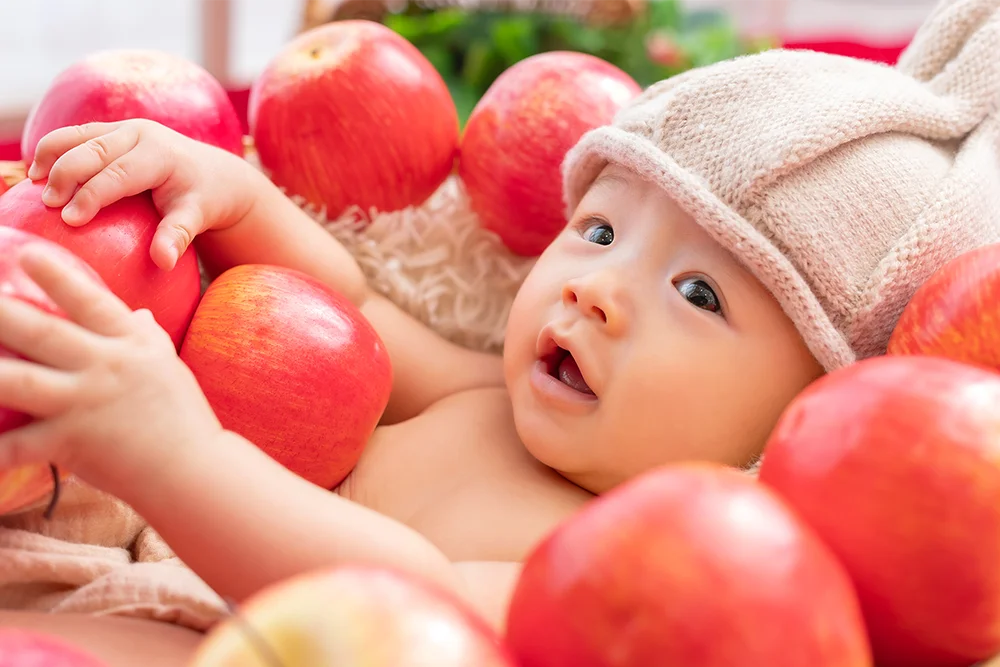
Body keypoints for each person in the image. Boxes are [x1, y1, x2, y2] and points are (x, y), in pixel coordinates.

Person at [0, 0, 997, 663]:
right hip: (115, 531)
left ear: (798, 424)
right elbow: (358, 313)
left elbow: (412, 599)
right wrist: (233, 194)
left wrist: (175, 456)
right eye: (598, 231)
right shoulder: (489, 393)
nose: (597, 289)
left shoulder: (617, 559)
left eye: (699, 294)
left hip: (233, 629)